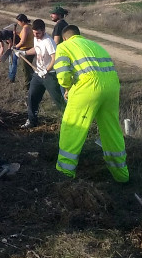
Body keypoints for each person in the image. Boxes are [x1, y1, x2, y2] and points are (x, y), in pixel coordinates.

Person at [53, 25, 129, 182]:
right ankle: (121, 175)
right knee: (111, 130)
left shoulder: (63, 46)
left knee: (73, 127)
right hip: (112, 88)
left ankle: (64, 173)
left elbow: (63, 75)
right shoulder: (96, 45)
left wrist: (67, 87)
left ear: (65, 37)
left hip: (88, 88)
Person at [15, 19, 65, 129]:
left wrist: (46, 70)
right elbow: (36, 49)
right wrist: (24, 52)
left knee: (59, 100)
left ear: (43, 30)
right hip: (38, 75)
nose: (36, 36)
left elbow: (54, 58)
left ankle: (70, 122)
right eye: (34, 33)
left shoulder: (49, 41)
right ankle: (32, 121)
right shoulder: (36, 39)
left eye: (38, 33)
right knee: (32, 97)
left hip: (50, 75)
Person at [11, 13, 34, 90]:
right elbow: (24, 35)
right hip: (30, 49)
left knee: (26, 69)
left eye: (19, 21)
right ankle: (32, 82)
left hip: (25, 50)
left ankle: (28, 86)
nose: (18, 23)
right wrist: (17, 33)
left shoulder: (25, 28)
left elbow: (23, 41)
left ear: (23, 21)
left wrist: (15, 47)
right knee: (28, 68)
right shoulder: (29, 27)